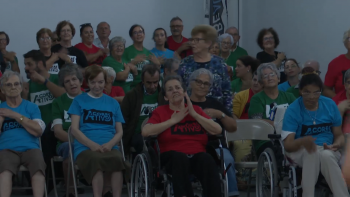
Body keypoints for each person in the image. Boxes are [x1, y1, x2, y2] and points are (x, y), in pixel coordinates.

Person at [143, 75, 222, 197]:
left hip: (197, 155)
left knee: (207, 159)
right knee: (180, 158)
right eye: (170, 89)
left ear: (184, 92)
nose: (174, 90)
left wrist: (195, 115)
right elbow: (146, 131)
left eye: (177, 88)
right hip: (171, 157)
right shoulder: (160, 111)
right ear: (165, 96)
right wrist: (172, 121)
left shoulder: (196, 110)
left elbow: (217, 130)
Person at [282, 70, 349, 197]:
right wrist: (302, 141)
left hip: (325, 147)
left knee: (327, 156)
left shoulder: (329, 104)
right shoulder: (293, 109)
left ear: (321, 91)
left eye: (316, 92)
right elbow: (288, 145)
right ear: (300, 91)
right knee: (311, 152)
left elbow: (339, 135)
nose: (312, 96)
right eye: (307, 92)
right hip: (300, 149)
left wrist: (336, 145)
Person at [68, 65, 130, 197]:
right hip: (86, 148)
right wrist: (92, 145)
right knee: (96, 161)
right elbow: (74, 129)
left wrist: (110, 144)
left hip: (109, 147)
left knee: (117, 160)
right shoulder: (79, 100)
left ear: (106, 82)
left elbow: (119, 131)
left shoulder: (113, 103)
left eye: (100, 82)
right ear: (87, 82)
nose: (97, 86)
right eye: (93, 82)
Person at [188, 69, 239, 197]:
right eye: (199, 82)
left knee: (227, 159)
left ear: (210, 87)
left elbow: (233, 127)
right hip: (190, 145)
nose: (202, 85)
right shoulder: (184, 104)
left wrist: (220, 114)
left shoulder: (215, 104)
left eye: (206, 83)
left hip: (216, 145)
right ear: (191, 83)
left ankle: (232, 193)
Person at [0, 71, 46, 197]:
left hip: (31, 148)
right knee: (5, 170)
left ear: (21, 87)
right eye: (8, 85)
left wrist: (15, 115)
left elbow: (38, 130)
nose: (13, 87)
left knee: (38, 166)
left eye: (16, 84)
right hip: (6, 149)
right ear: (2, 90)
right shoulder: (1, 109)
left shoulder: (31, 107)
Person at [22, 50, 66, 175]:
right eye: (25, 64)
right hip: (37, 132)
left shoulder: (55, 79)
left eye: (29, 64)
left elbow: (64, 97)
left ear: (40, 64)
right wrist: (24, 96)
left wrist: (45, 82)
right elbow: (24, 114)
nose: (26, 68)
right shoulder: (28, 86)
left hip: (56, 129)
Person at [178, 25, 232, 113]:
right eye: (192, 40)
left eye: (197, 40)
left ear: (208, 43)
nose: (193, 43)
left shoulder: (220, 63)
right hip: (190, 113)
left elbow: (227, 92)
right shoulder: (185, 63)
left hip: (216, 114)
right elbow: (180, 89)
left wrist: (227, 115)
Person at [248, 63, 296, 157]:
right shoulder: (257, 99)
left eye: (272, 74)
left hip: (289, 137)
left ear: (278, 79)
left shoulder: (289, 97)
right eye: (265, 76)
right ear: (261, 83)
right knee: (276, 152)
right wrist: (280, 125)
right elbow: (257, 121)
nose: (269, 78)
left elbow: (299, 114)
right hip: (265, 139)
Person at [51, 64, 83, 196]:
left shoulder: (91, 99)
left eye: (74, 79)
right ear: (63, 85)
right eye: (67, 81)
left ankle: (106, 190)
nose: (72, 83)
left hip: (92, 140)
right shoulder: (58, 103)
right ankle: (70, 191)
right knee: (69, 149)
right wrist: (80, 141)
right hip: (67, 142)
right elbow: (58, 131)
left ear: (80, 81)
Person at [121, 64, 165, 154]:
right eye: (149, 82)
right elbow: (123, 120)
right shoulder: (132, 95)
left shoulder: (164, 95)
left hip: (159, 132)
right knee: (144, 145)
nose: (152, 86)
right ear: (142, 80)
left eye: (155, 82)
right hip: (138, 134)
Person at [123, 24, 160, 89]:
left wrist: (158, 64)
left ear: (144, 35)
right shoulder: (126, 51)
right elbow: (121, 68)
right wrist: (133, 62)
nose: (138, 34)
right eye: (135, 33)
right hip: (132, 86)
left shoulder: (149, 53)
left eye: (140, 32)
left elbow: (154, 73)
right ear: (131, 37)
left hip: (147, 86)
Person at [324, 28, 350, 98]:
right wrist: (339, 100)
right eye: (349, 38)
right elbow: (326, 89)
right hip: (342, 106)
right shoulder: (335, 63)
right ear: (345, 43)